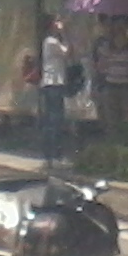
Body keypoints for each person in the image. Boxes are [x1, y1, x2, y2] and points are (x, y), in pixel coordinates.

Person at [93, 17, 128, 133]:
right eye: (117, 26)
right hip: (110, 86)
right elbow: (99, 67)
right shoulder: (105, 45)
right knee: (111, 121)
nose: (119, 29)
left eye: (122, 26)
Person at [38, 16, 70, 166]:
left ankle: (51, 155)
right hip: (54, 84)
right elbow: (67, 52)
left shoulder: (48, 41)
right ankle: (54, 155)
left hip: (51, 84)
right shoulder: (52, 42)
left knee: (52, 120)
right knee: (55, 120)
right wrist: (64, 33)